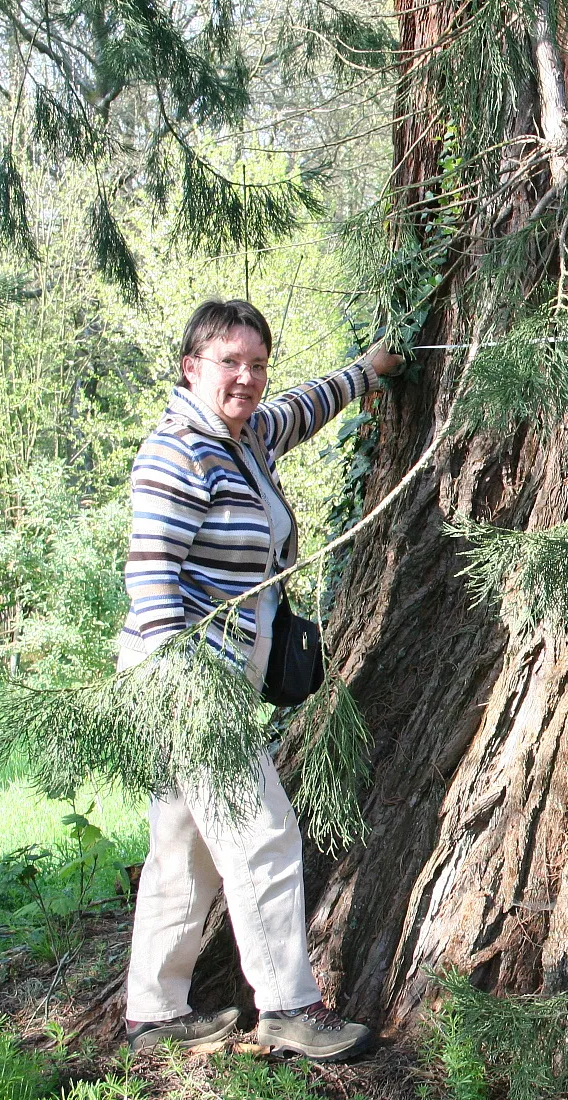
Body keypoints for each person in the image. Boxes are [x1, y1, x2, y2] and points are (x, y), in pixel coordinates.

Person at [118, 299, 403, 1060]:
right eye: (228, 362)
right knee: (264, 833)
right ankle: (288, 1007)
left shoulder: (242, 439)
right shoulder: (178, 452)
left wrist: (364, 376)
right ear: (191, 367)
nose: (245, 378)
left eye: (256, 363)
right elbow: (150, 586)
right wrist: (189, 693)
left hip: (210, 684)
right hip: (185, 687)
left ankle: (153, 1015)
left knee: (185, 851)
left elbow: (298, 413)